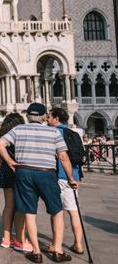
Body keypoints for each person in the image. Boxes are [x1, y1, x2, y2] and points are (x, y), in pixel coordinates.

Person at [0, 102, 78, 264]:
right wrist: (71, 178)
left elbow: (0, 144)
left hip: (24, 173)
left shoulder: (18, 129)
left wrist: (11, 162)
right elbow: (63, 157)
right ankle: (57, 249)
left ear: (28, 116)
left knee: (29, 212)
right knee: (56, 211)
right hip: (46, 173)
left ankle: (36, 251)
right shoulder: (53, 132)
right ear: (44, 117)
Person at [48, 108, 85, 255]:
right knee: (74, 212)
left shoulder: (53, 133)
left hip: (58, 175)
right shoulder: (74, 133)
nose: (47, 119)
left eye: (50, 117)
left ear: (56, 119)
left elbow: (59, 156)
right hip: (74, 176)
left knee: (57, 212)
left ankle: (55, 244)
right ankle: (79, 244)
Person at [0, 113, 32, 252]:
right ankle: (20, 240)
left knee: (9, 205)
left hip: (5, 171)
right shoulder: (20, 134)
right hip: (18, 170)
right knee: (20, 207)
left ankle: (6, 238)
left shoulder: (2, 136)